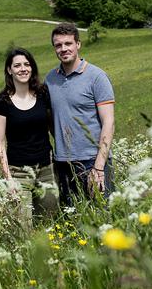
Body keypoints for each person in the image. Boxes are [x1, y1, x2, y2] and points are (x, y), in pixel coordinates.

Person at [45, 22, 115, 204]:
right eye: (58, 45)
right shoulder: (50, 80)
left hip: (93, 161)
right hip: (64, 163)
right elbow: (50, 119)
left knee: (103, 217)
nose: (63, 49)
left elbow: (109, 122)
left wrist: (99, 167)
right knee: (73, 221)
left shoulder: (97, 77)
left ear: (78, 44)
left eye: (68, 43)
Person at [0, 48, 59, 231]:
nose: (23, 69)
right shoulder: (2, 102)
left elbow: (52, 128)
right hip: (18, 173)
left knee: (49, 224)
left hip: (47, 169)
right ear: (9, 70)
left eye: (27, 64)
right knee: (23, 229)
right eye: (17, 65)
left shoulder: (43, 94)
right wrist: (9, 179)